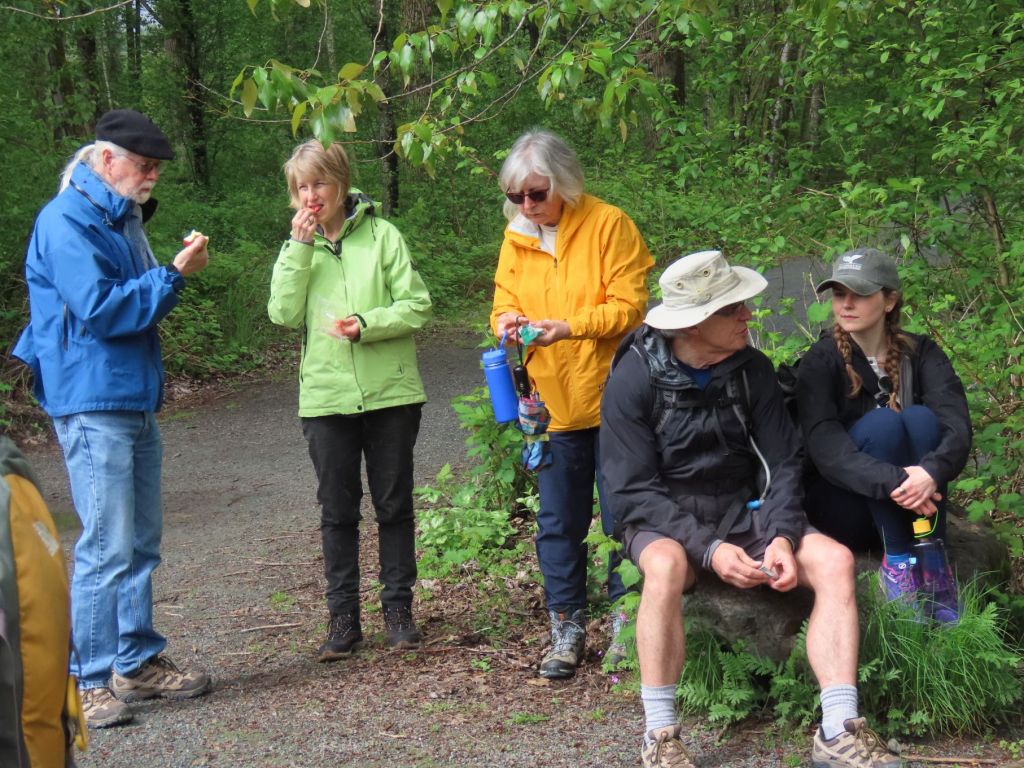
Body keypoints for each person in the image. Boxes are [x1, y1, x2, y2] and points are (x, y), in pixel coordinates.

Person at [601, 250, 900, 768]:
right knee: (666, 566)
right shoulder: (634, 378)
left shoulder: (752, 369)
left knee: (835, 561)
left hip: (746, 510)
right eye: (732, 309)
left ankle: (838, 729)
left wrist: (781, 535)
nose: (747, 315)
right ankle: (660, 736)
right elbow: (631, 491)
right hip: (663, 517)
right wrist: (710, 550)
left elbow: (784, 462)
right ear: (693, 324)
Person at [11, 109, 212, 729]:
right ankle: (87, 680)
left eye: (156, 168)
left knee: (140, 542)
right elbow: (102, 310)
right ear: (105, 160)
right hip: (91, 399)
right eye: (143, 165)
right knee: (105, 545)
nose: (151, 176)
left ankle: (135, 662)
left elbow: (131, 304)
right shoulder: (66, 220)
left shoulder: (119, 218)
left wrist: (165, 274)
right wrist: (173, 276)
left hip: (130, 396)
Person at [490, 128, 653, 679]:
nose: (527, 205)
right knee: (558, 522)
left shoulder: (609, 225)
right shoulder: (516, 237)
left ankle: (628, 623)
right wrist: (507, 323)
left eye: (537, 194)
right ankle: (567, 626)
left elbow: (630, 308)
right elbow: (501, 304)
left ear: (564, 184)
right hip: (549, 403)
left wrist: (569, 327)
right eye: (516, 196)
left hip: (615, 399)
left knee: (623, 516)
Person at [268, 139, 432, 662]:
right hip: (326, 399)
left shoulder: (384, 236)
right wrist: (298, 249)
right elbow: (282, 314)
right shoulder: (297, 247)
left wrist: (367, 324)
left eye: (319, 183)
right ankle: (343, 620)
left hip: (391, 394)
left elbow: (417, 305)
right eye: (301, 187)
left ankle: (398, 612)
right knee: (337, 512)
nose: (310, 195)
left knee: (393, 505)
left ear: (341, 183)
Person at [796, 247, 971, 623]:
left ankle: (933, 558)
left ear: (889, 300)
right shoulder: (821, 361)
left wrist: (931, 473)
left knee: (921, 418)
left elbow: (957, 425)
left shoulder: (921, 353)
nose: (846, 304)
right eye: (839, 294)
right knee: (883, 424)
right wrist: (900, 481)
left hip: (916, 500)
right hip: (846, 508)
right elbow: (826, 450)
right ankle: (898, 563)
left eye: (859, 294)